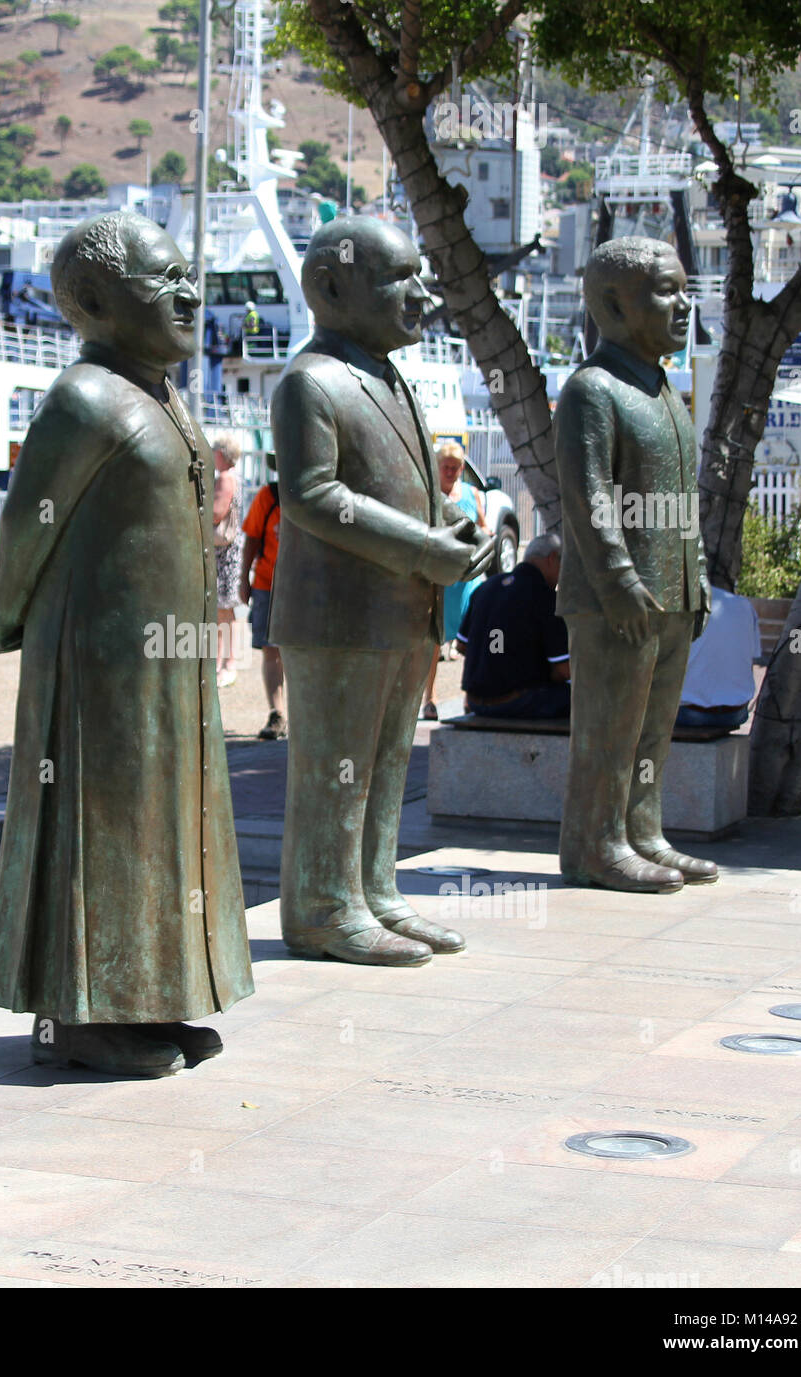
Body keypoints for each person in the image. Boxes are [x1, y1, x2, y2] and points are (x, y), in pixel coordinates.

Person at [0, 210, 253, 1077]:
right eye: (163, 279)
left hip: (164, 661)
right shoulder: (85, 397)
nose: (189, 292)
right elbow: (28, 520)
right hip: (99, 665)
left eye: (188, 275)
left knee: (168, 819)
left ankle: (152, 994)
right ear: (95, 300)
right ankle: (80, 1015)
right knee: (102, 821)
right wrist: (7, 616)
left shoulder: (162, 395)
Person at [270, 216, 495, 967]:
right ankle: (323, 906)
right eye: (402, 278)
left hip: (403, 609)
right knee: (337, 766)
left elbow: (400, 487)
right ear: (333, 287)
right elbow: (309, 494)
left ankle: (375, 888)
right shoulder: (311, 379)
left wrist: (452, 536)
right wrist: (425, 546)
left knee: (389, 758)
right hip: (339, 614)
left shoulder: (387, 374)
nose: (422, 293)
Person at [555, 236, 715, 894]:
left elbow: (685, 499)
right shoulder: (594, 390)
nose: (684, 304)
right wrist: (619, 578)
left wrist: (695, 574)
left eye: (685, 289)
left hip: (671, 592)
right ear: (614, 304)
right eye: (666, 291)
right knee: (609, 730)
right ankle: (596, 842)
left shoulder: (664, 391)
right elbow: (589, 497)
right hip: (616, 598)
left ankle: (641, 830)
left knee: (653, 730)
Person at [459, 531, 570, 719]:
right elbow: (563, 669)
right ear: (552, 559)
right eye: (564, 564)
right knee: (589, 696)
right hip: (517, 702)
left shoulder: (485, 588)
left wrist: (496, 656)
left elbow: (462, 645)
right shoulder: (546, 598)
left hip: (476, 702)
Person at [421, 439, 490, 720]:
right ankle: (430, 698)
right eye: (446, 467)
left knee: (471, 638)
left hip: (468, 580)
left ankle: (470, 697)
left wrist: (488, 535)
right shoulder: (430, 495)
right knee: (434, 640)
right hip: (439, 580)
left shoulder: (471, 494)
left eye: (455, 467)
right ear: (437, 467)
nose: (450, 472)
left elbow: (484, 526)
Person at [239, 466, 287, 739]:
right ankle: (277, 713)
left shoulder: (313, 496)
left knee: (297, 652)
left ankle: (303, 716)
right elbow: (252, 537)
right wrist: (244, 579)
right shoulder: (268, 496)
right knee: (271, 649)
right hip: (268, 583)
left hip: (306, 588)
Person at [675, 584, 762, 730]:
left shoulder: (678, 603)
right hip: (736, 713)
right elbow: (750, 662)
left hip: (689, 713)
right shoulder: (742, 604)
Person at [211, 432, 243, 687]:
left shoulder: (224, 479)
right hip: (229, 551)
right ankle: (224, 662)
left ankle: (227, 663)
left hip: (223, 552)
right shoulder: (234, 477)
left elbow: (215, 513)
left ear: (220, 453)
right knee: (224, 611)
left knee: (223, 610)